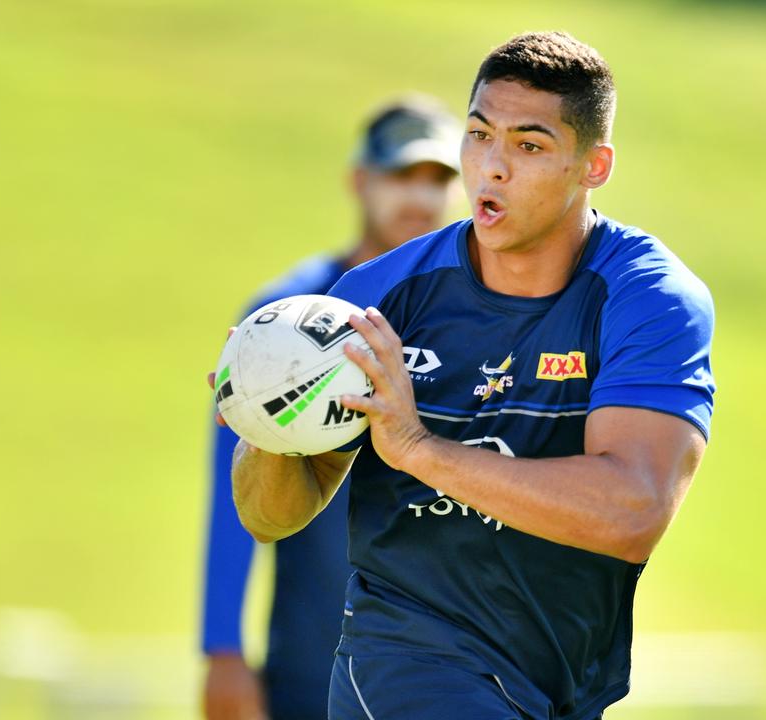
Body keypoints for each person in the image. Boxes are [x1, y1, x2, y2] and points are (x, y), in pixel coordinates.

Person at [216, 31, 715, 720]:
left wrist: (418, 449)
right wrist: (268, 420)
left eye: (529, 145)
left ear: (593, 166)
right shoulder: (381, 296)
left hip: (560, 686)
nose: (492, 168)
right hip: (400, 667)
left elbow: (632, 510)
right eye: (479, 135)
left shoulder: (645, 300)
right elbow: (271, 516)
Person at [200, 97, 461, 720]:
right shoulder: (284, 317)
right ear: (358, 180)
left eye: (439, 179)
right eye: (401, 175)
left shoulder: (470, 317)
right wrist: (222, 652)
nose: (419, 199)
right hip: (310, 665)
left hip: (446, 669)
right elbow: (230, 493)